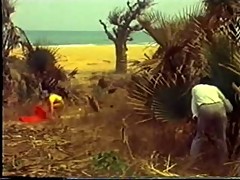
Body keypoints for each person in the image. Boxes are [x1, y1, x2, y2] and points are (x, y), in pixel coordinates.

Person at [190, 77, 233, 164]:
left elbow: (194, 103)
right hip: (219, 107)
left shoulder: (196, 88)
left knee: (199, 136)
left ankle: (192, 160)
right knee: (221, 138)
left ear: (200, 82)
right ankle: (224, 162)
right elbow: (224, 100)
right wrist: (230, 109)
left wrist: (196, 115)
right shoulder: (214, 88)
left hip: (205, 108)